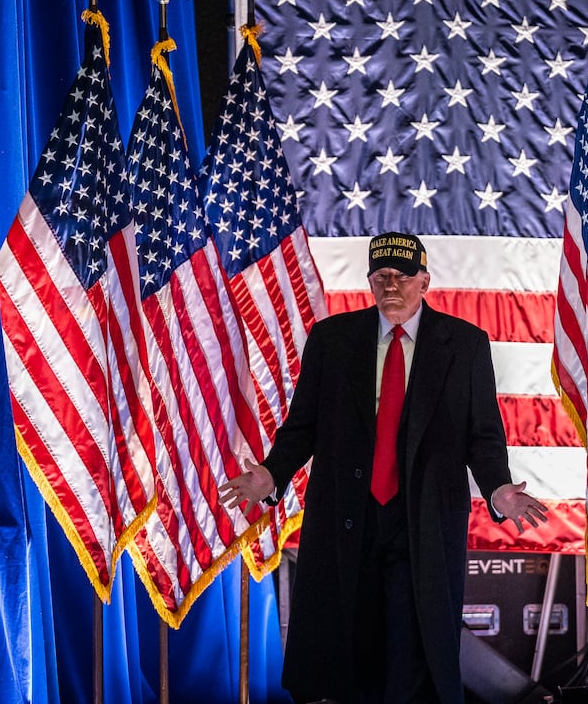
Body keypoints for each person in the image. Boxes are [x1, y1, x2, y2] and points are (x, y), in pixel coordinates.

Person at [220, 232, 549, 704]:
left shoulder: (466, 344)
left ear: (425, 281)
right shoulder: (332, 340)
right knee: (348, 651)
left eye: (402, 275)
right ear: (370, 282)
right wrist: (271, 474)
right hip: (345, 521)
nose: (391, 285)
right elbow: (302, 428)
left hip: (423, 524)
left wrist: (498, 490)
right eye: (381, 276)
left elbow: (483, 437)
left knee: (414, 657)